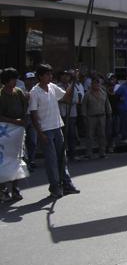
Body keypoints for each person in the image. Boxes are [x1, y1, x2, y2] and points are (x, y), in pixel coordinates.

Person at [29, 64, 80, 198]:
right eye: (47, 74)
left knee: (62, 157)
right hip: (45, 129)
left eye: (51, 74)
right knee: (51, 160)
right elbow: (33, 115)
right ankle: (55, 186)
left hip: (57, 126)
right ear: (40, 76)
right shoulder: (34, 92)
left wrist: (73, 81)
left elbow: (66, 98)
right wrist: (40, 133)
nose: (50, 77)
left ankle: (66, 183)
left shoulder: (52, 87)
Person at [0, 67, 28, 202]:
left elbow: (25, 109)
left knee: (18, 159)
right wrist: (13, 121)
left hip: (18, 132)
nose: (15, 81)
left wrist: (22, 121)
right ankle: (3, 189)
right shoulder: (1, 95)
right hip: (4, 132)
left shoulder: (19, 93)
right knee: (4, 161)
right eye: (12, 79)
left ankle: (16, 188)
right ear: (6, 81)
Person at [81, 76, 112, 159]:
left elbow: (107, 104)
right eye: (95, 83)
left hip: (102, 116)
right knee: (89, 136)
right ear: (92, 84)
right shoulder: (87, 94)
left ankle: (102, 152)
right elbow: (84, 106)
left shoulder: (103, 93)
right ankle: (89, 153)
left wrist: (109, 113)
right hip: (91, 117)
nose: (97, 84)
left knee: (102, 135)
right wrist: (84, 116)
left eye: (98, 83)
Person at [23, 72, 38, 170]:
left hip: (33, 117)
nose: (31, 82)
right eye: (29, 80)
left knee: (33, 141)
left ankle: (31, 160)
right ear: (25, 81)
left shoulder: (36, 91)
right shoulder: (21, 91)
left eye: (33, 80)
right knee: (23, 142)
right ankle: (26, 162)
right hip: (23, 117)